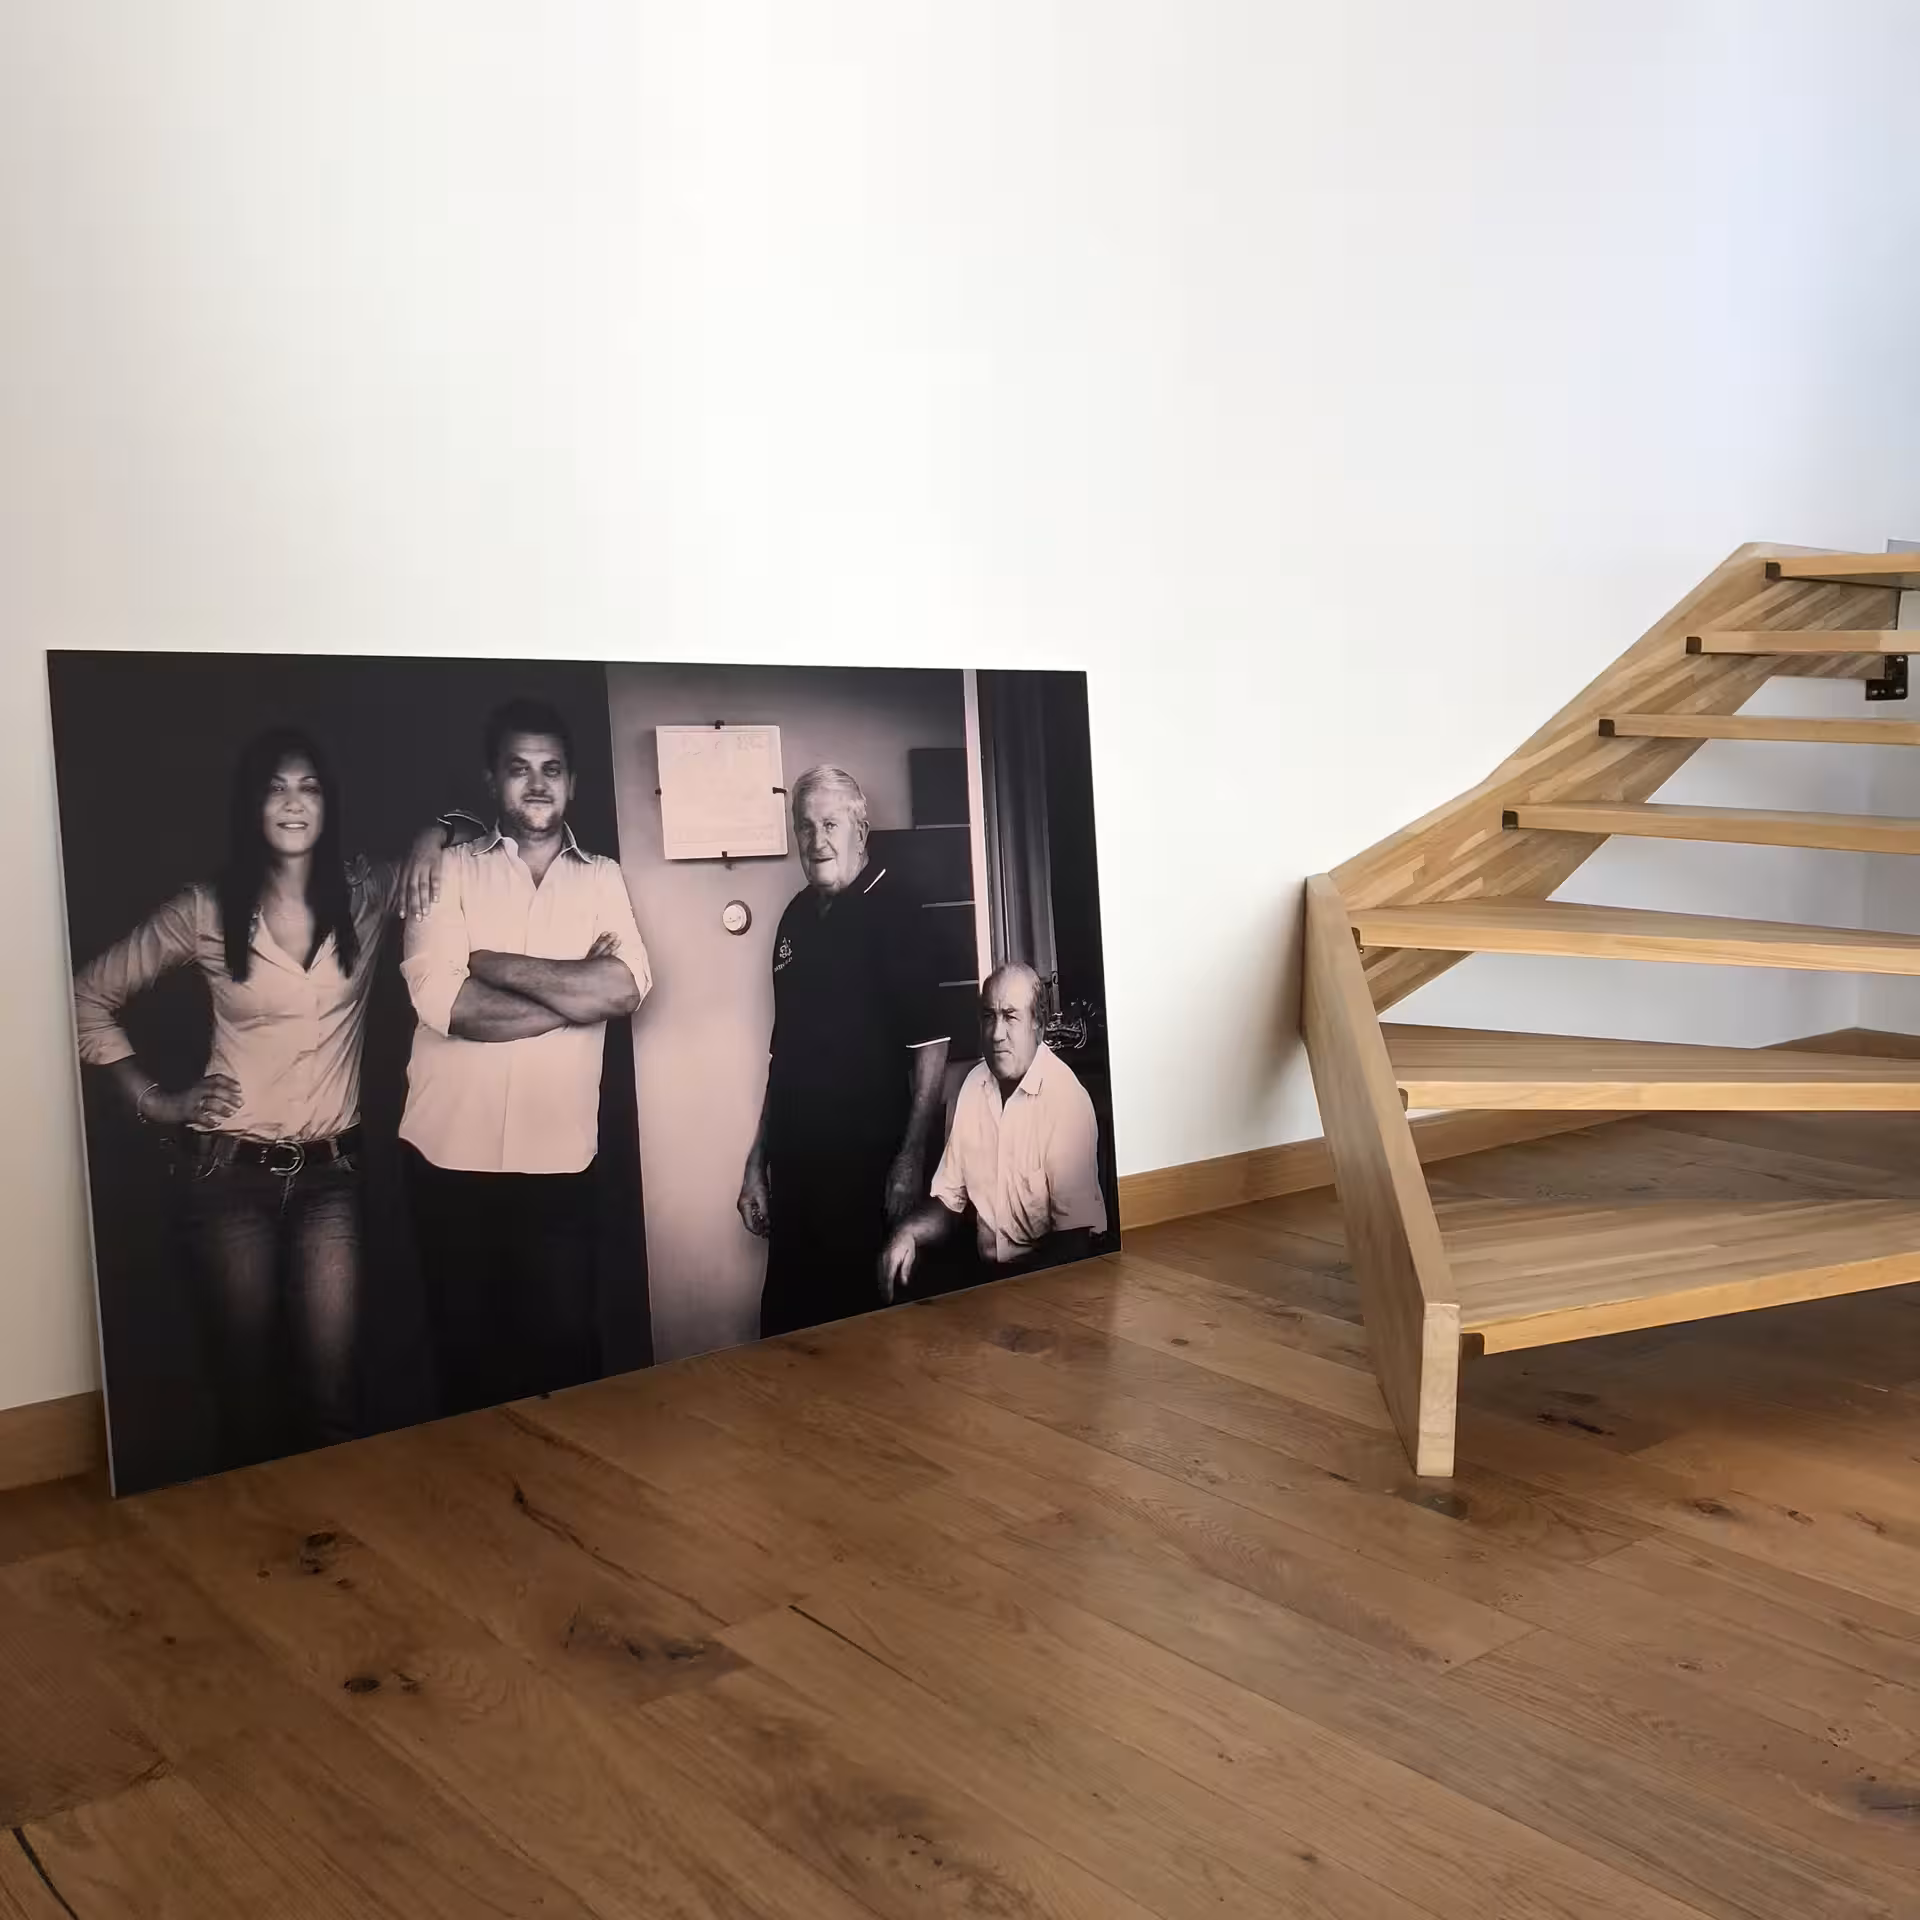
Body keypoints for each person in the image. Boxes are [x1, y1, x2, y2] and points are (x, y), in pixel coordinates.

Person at [71, 727, 464, 1466]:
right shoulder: (204, 910)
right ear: (252, 805)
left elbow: (472, 827)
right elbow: (86, 994)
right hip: (228, 1182)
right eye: (276, 787)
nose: (292, 802)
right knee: (247, 1404)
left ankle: (337, 1563)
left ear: (327, 803)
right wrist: (156, 1099)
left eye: (308, 786)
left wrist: (431, 831)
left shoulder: (368, 891)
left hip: (331, 1184)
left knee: (332, 1404)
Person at [399, 697, 650, 1415]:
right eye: (519, 770)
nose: (537, 784)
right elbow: (447, 1007)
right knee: (466, 1366)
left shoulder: (601, 876)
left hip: (558, 1160)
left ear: (573, 784)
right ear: (491, 782)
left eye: (552, 770)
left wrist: (491, 961)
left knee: (566, 1361)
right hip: (450, 1158)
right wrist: (572, 994)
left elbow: (627, 988)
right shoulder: (446, 871)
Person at [736, 765, 951, 1336]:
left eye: (830, 823)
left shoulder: (897, 910)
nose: (816, 840)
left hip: (867, 1170)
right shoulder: (793, 919)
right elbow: (782, 1055)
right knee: (788, 1329)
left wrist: (910, 1160)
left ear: (861, 828)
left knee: (862, 1334)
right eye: (804, 827)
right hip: (798, 1170)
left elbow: (932, 1046)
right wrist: (759, 1162)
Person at [879, 962, 1107, 1300]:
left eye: (1011, 1017)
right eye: (989, 1016)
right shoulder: (974, 1086)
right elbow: (949, 1204)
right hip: (988, 1275)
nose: (997, 1033)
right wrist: (908, 1233)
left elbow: (1074, 1243)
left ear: (1038, 1026)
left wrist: (1008, 1300)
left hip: (1054, 1281)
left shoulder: (1065, 1101)